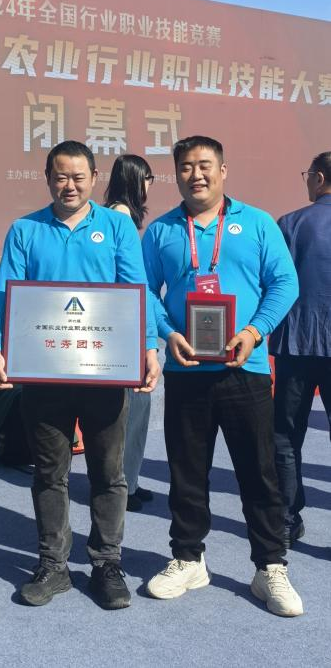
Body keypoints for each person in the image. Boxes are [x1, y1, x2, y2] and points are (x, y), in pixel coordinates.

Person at [0, 140, 160, 611]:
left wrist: (148, 346)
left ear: (94, 178)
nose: (70, 185)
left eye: (79, 177)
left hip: (105, 372)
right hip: (44, 373)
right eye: (61, 176)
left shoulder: (117, 227)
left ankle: (106, 563)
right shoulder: (25, 230)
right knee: (49, 472)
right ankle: (53, 565)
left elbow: (136, 288)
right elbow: (5, 294)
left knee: (108, 472)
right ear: (48, 178)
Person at [142, 135, 304, 617]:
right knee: (186, 471)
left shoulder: (256, 223)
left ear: (223, 170)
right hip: (187, 368)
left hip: (244, 369)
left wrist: (255, 332)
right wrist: (168, 332)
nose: (196, 175)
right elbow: (143, 290)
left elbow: (285, 282)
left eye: (205, 165)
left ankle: (270, 566)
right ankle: (188, 558)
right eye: (186, 167)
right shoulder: (162, 231)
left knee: (259, 472)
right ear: (176, 173)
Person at [269, 151, 331, 548]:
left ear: (320, 178)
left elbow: (275, 283)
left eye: (309, 174)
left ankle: (288, 519)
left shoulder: (291, 223)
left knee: (286, 435)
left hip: (296, 345)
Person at [104, 154, 155, 512]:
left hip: (118, 325)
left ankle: (126, 480)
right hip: (125, 327)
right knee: (133, 409)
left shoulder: (112, 213)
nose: (150, 185)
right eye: (148, 178)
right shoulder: (121, 216)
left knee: (131, 410)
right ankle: (123, 484)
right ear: (137, 179)